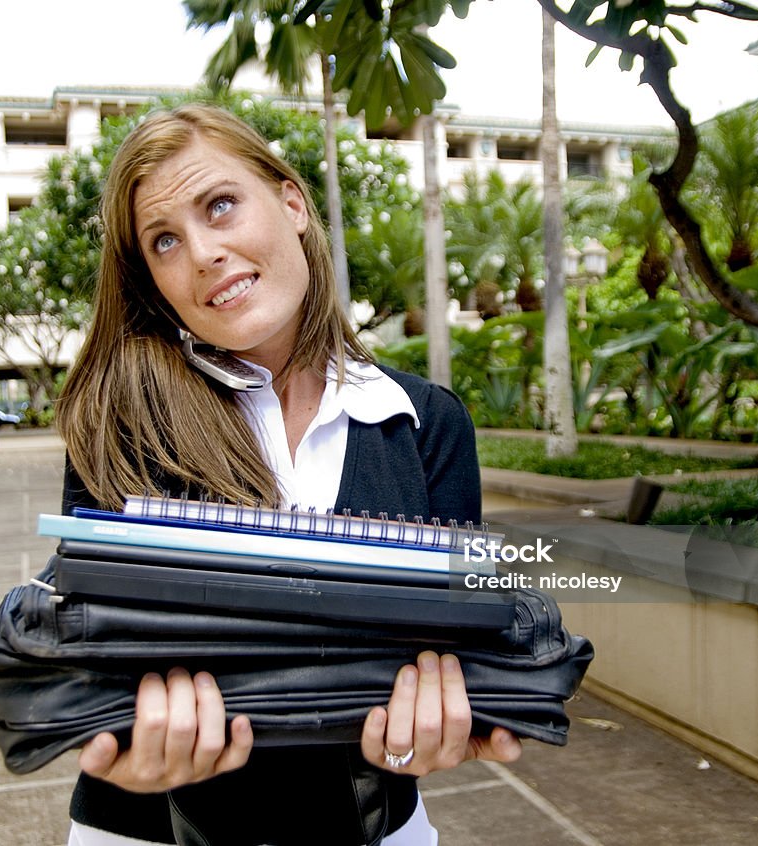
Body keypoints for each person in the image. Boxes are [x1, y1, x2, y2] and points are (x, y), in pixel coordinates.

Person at [54, 103, 523, 846]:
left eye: (221, 205)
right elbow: (83, 660)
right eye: (165, 240)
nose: (204, 252)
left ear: (293, 202)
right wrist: (113, 747)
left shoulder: (426, 422)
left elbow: (453, 653)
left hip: (378, 827)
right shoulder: (120, 425)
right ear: (152, 279)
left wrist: (433, 723)